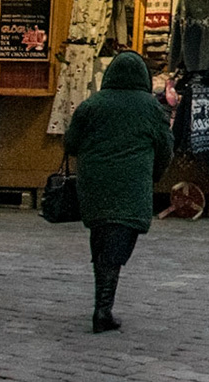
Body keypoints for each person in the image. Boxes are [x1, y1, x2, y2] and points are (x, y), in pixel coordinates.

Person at [62, 50, 172, 333]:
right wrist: (154, 175)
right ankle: (103, 309)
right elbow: (165, 148)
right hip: (132, 185)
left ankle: (102, 304)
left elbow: (71, 143)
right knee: (118, 242)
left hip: (94, 183)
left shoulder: (92, 105)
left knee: (101, 237)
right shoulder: (151, 108)